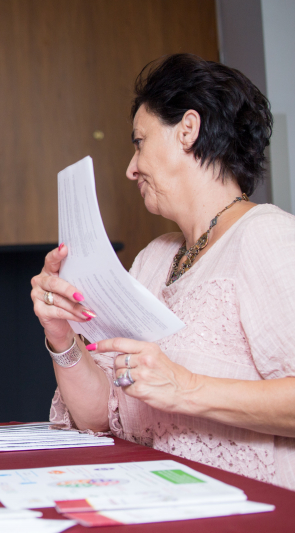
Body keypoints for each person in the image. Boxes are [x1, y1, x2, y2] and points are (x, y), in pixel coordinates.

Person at [31, 53, 295, 489]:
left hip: (240, 508)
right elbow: (99, 417)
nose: (131, 167)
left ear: (187, 130)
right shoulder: (155, 258)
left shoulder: (266, 237)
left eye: (139, 141)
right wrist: (61, 334)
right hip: (150, 496)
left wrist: (187, 388)